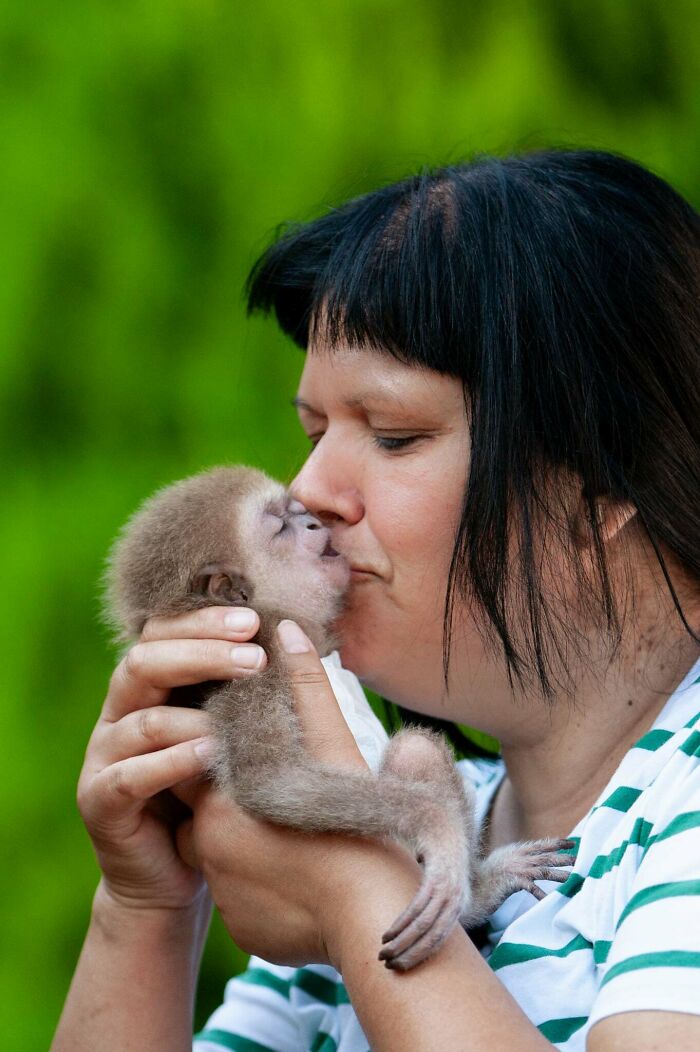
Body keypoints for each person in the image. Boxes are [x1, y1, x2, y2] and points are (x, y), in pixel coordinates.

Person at [52, 149, 700, 1052]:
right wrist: (145, 907)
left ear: (603, 479)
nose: (309, 489)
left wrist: (355, 884)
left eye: (394, 435)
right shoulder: (389, 806)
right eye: (313, 432)